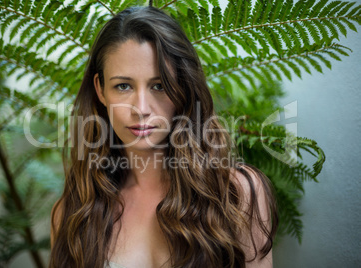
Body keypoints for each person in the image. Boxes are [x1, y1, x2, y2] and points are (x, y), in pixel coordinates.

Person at [49, 6, 278, 268]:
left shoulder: (236, 194)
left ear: (183, 88)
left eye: (159, 86)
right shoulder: (72, 214)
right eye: (123, 86)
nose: (142, 108)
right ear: (100, 89)